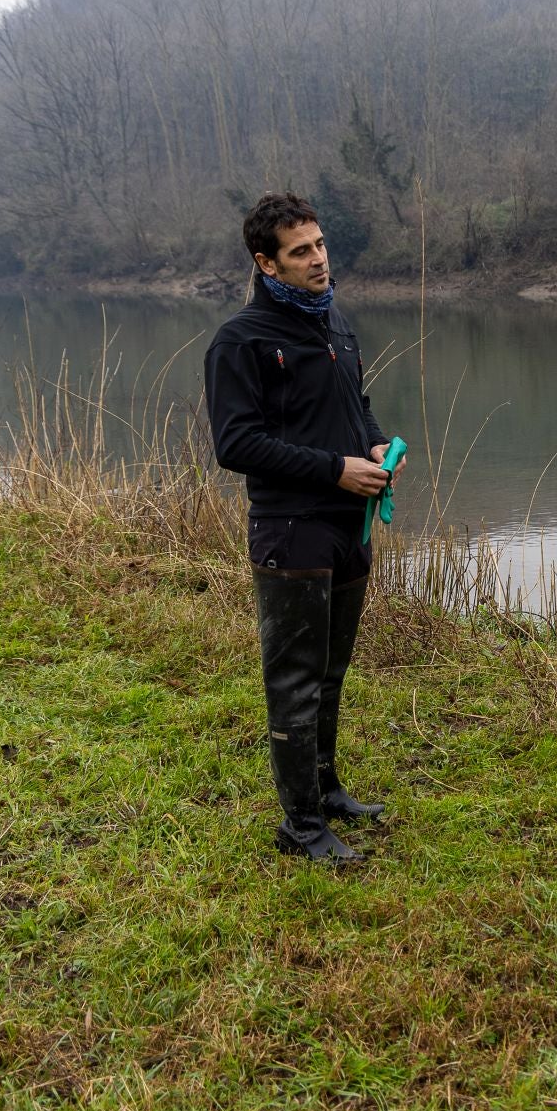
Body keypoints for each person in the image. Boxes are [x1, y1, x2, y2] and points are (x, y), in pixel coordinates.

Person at [205, 192, 403, 863]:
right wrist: (333, 469)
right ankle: (301, 829)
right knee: (293, 680)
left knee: (331, 670)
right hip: (291, 530)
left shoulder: (334, 323)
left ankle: (326, 792)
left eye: (320, 244)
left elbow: (358, 404)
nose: (319, 260)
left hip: (349, 524)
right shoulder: (242, 340)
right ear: (267, 263)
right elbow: (235, 444)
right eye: (301, 252)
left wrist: (373, 447)